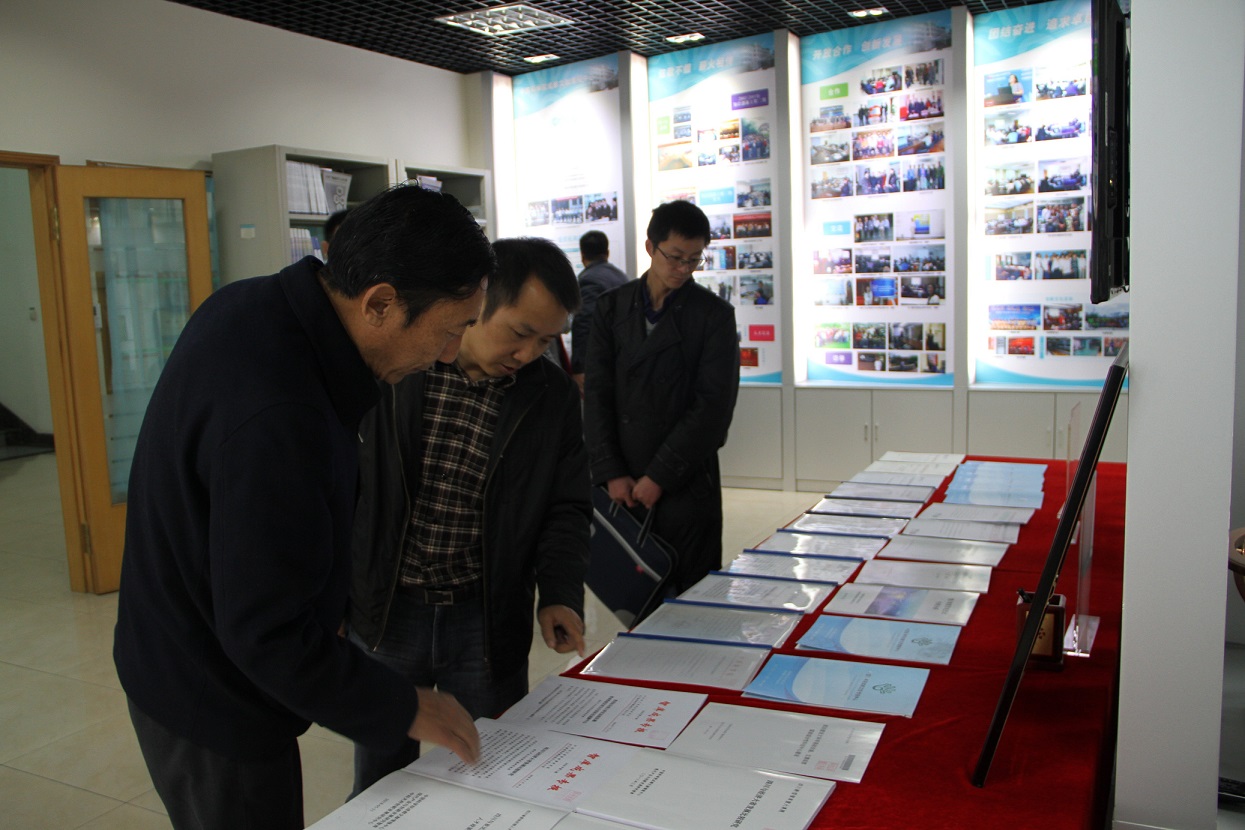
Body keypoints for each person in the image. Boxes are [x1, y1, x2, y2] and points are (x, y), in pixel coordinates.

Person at [113, 185, 491, 829]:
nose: (450, 355)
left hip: (179, 641)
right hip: (209, 692)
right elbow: (266, 632)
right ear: (380, 303)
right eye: (450, 330)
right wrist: (401, 705)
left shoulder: (256, 304)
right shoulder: (281, 411)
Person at [347, 236, 590, 797]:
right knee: (382, 781)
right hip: (388, 610)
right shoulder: (399, 368)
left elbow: (566, 506)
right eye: (520, 333)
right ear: (478, 305)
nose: (529, 353)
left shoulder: (550, 397)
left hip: (483, 616)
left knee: (495, 775)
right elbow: (345, 489)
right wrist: (334, 596)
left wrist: (559, 593)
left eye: (546, 340)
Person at [583, 200, 740, 595]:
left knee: (692, 594)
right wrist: (610, 471)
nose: (684, 268)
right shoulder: (611, 307)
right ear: (651, 247)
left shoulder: (713, 315)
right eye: (675, 257)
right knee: (635, 594)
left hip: (685, 480)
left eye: (694, 259)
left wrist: (659, 477)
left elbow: (713, 408)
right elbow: (597, 393)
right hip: (623, 481)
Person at [571, 229, 629, 393]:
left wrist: (579, 367)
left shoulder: (588, 280)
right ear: (607, 253)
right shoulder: (621, 277)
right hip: (622, 356)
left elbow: (584, 323)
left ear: (582, 255)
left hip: (601, 360)